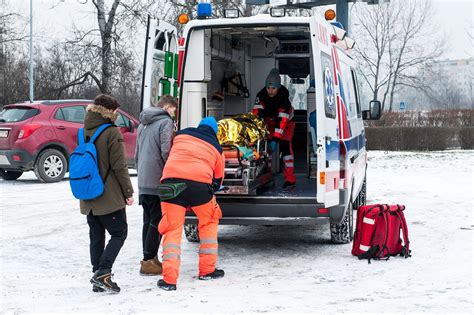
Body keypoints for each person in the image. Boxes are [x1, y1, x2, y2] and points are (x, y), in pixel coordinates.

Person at [157, 117, 225, 291]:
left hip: (171, 186)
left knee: (172, 229)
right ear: (215, 132)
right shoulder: (217, 148)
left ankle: (169, 280)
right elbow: (218, 179)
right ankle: (207, 270)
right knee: (209, 222)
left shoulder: (181, 136)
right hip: (199, 188)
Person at [80, 94, 134, 293]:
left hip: (87, 195)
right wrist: (128, 191)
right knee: (119, 233)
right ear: (110, 111)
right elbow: (120, 166)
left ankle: (97, 276)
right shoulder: (111, 132)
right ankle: (103, 273)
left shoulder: (84, 130)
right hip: (107, 195)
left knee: (96, 236)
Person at [135, 95, 177, 276]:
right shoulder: (165, 122)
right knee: (156, 221)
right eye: (174, 111)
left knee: (147, 220)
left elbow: (136, 153)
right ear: (168, 107)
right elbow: (166, 151)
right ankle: (149, 261)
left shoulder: (143, 123)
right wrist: (173, 172)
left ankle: (147, 259)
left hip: (143, 180)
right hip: (157, 179)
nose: (175, 115)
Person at [252, 68, 296, 188]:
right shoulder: (261, 95)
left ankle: (290, 178)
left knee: (285, 148)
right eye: (268, 88)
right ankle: (266, 173)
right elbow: (257, 114)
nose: (270, 91)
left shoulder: (283, 99)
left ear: (278, 87)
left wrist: (276, 139)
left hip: (286, 124)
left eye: (273, 88)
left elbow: (282, 122)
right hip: (269, 122)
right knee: (266, 147)